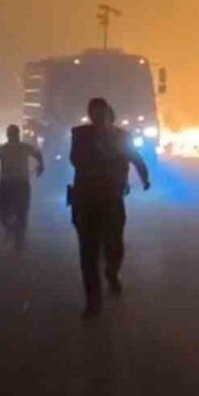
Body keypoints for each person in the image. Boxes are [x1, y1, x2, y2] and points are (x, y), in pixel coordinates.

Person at [69, 97, 150, 319]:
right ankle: (93, 303)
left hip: (111, 200)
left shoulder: (121, 137)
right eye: (93, 114)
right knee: (88, 254)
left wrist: (144, 178)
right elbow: (76, 159)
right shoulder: (81, 135)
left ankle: (112, 273)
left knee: (114, 244)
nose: (97, 118)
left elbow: (136, 158)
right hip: (86, 200)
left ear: (108, 114)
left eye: (101, 114)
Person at [0, 124, 44, 250]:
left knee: (6, 214)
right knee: (17, 214)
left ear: (9, 135)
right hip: (18, 185)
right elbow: (38, 155)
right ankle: (16, 234)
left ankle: (14, 234)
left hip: (10, 185)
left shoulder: (4, 149)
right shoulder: (21, 148)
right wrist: (41, 165)